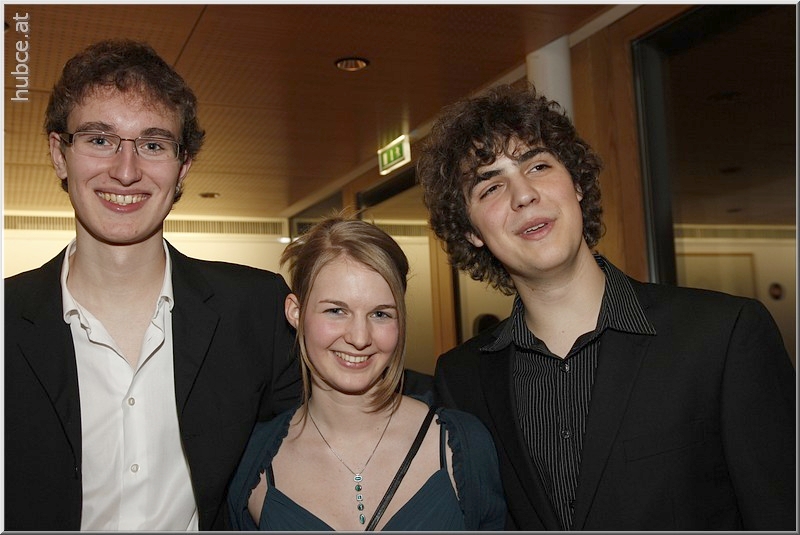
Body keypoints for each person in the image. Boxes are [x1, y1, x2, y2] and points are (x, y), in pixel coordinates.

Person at [416, 83, 796, 531]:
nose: (523, 195)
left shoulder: (723, 336)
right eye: (491, 187)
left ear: (577, 184)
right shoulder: (461, 379)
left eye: (538, 165)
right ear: (471, 231)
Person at [4, 39, 301, 531]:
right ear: (59, 154)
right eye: (99, 140)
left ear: (182, 168)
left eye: (153, 145)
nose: (126, 171)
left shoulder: (256, 309)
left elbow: (324, 449)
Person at [227, 216, 506, 531]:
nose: (360, 338)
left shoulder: (462, 445)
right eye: (336, 310)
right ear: (296, 312)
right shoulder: (254, 463)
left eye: (380, 314)